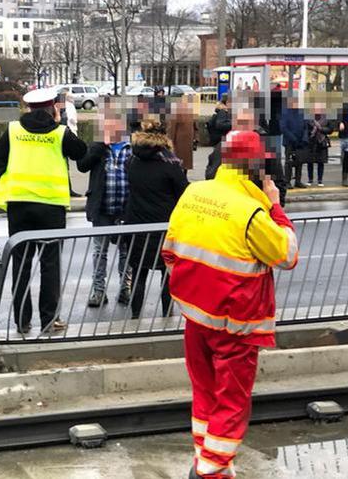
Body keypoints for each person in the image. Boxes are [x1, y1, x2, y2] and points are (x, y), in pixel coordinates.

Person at [162, 130, 299, 479]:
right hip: (235, 323)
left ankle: (205, 459)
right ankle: (211, 471)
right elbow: (286, 255)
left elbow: (170, 252)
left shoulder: (194, 192)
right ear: (256, 168)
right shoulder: (252, 211)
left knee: (205, 393)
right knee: (232, 402)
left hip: (195, 317)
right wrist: (275, 205)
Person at [0, 88, 87, 335]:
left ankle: (22, 322)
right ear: (53, 107)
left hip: (19, 207)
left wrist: (15, 181)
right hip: (50, 208)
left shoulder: (13, 131)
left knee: (21, 265)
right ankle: (49, 320)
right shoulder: (60, 133)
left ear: (29, 109)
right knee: (49, 264)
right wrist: (60, 123)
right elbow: (81, 152)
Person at [125, 120, 188, 318]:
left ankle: (135, 316)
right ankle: (166, 315)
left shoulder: (132, 161)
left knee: (138, 273)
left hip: (137, 225)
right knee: (167, 274)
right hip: (165, 226)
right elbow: (183, 193)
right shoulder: (171, 164)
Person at [77, 97, 132, 308]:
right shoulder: (98, 146)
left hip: (126, 208)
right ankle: (98, 290)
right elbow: (82, 165)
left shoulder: (130, 147)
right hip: (102, 209)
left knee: (126, 251)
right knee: (100, 252)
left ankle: (125, 287)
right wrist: (100, 145)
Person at [206, 103, 288, 206]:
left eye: (246, 123)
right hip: (228, 206)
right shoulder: (223, 146)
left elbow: (279, 182)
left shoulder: (265, 148)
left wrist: (276, 209)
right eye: (239, 122)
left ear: (254, 124)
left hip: (256, 208)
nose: (242, 127)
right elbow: (210, 173)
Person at [280, 97, 309, 188]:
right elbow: (283, 127)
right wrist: (293, 139)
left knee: (299, 161)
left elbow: (305, 126)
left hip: (300, 142)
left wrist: (304, 138)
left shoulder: (302, 112)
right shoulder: (285, 112)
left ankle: (298, 181)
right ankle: (287, 181)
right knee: (289, 162)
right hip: (289, 141)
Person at [58, 91, 82, 197]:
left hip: (62, 136)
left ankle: (67, 188)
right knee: (65, 165)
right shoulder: (69, 107)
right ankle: (68, 189)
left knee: (64, 165)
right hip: (68, 135)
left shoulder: (59, 107)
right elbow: (72, 120)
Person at [306, 102, 333, 187]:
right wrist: (311, 132)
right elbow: (305, 129)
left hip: (322, 142)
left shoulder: (326, 118)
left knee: (320, 162)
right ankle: (310, 179)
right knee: (310, 162)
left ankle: (320, 180)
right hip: (311, 142)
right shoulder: (308, 118)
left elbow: (330, 129)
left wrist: (321, 129)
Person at [167, 97, 196, 173]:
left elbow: (172, 128)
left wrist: (170, 140)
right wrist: (195, 138)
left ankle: (178, 174)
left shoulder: (176, 111)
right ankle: (185, 174)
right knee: (186, 159)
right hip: (188, 139)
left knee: (177, 158)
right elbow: (195, 126)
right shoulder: (190, 111)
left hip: (179, 139)